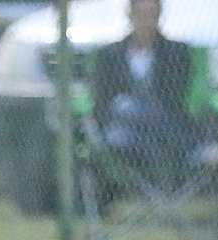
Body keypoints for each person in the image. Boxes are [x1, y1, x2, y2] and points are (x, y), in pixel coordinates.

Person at [90, 0, 210, 174]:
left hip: (165, 116)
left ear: (159, 17)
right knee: (119, 129)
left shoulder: (176, 52)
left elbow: (176, 95)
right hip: (123, 125)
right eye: (141, 15)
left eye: (151, 15)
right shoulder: (109, 54)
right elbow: (102, 97)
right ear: (130, 16)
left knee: (126, 110)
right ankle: (192, 150)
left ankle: (168, 171)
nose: (146, 21)